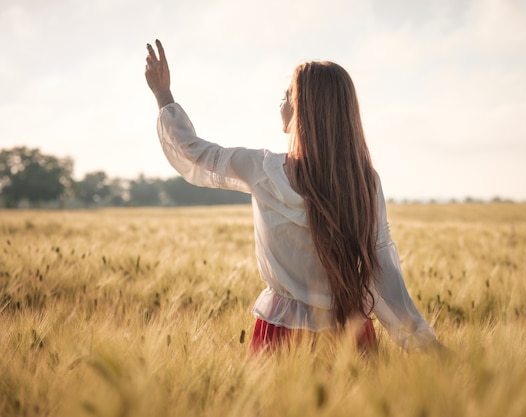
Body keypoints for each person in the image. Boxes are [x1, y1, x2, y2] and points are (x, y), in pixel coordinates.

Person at [144, 39, 448, 356]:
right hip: (350, 336)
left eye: (286, 96)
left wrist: (163, 94)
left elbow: (192, 153)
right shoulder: (364, 182)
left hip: (281, 336)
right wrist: (424, 343)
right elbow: (383, 271)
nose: (281, 105)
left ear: (303, 110)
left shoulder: (262, 169)